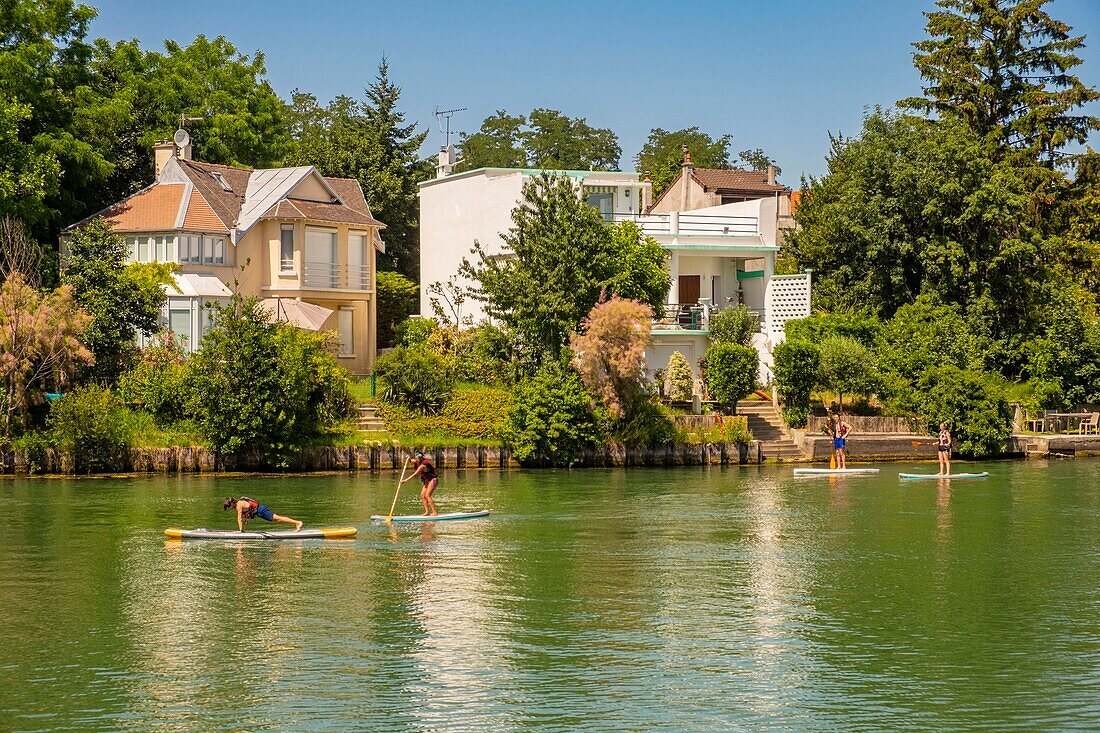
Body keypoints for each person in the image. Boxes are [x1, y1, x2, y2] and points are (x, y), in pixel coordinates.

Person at [223, 496, 302, 532]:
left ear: (232, 503)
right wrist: (246, 519)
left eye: (229, 506)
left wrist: (240, 530)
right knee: (278, 520)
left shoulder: (239, 505)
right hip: (259, 511)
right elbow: (248, 509)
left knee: (278, 518)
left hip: (261, 510)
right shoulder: (240, 502)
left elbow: (239, 518)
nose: (230, 508)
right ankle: (296, 523)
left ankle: (298, 522)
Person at [400, 451, 439, 516]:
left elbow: (415, 474)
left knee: (427, 495)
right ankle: (427, 512)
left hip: (433, 480)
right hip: (427, 481)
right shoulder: (418, 461)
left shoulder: (423, 466)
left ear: (420, 458)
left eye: (417, 458)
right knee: (422, 495)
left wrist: (404, 481)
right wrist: (408, 459)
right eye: (416, 458)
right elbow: (412, 460)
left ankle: (434, 512)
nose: (416, 459)